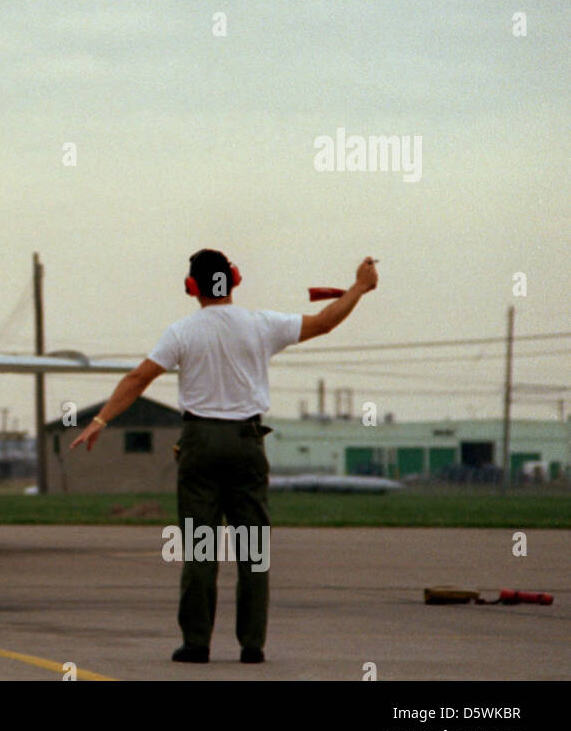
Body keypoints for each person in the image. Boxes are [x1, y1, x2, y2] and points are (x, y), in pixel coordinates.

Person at [70, 250, 378, 663]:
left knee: (200, 549)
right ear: (234, 279)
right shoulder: (262, 325)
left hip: (199, 443)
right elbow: (324, 321)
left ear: (191, 288)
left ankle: (196, 643)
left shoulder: (181, 332)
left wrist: (101, 420)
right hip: (246, 441)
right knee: (252, 548)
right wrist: (359, 286)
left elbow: (139, 376)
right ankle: (253, 645)